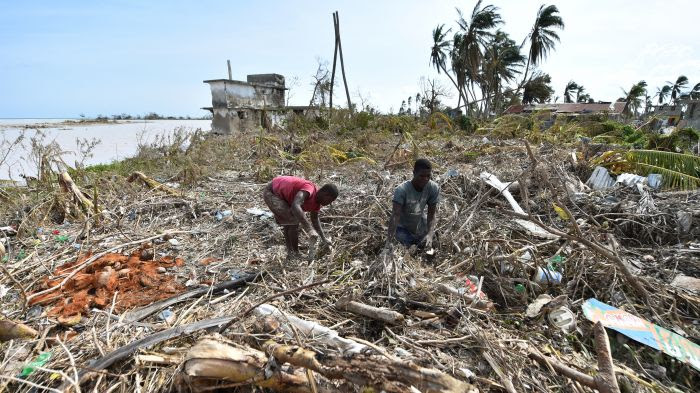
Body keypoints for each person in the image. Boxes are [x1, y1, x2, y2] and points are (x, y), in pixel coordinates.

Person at [263, 175, 338, 259]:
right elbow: (295, 205)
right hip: (272, 192)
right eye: (329, 200)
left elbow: (314, 219)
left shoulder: (316, 204)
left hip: (283, 196)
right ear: (325, 194)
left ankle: (291, 253)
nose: (329, 203)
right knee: (294, 220)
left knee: (289, 222)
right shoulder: (309, 189)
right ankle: (295, 253)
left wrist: (323, 238)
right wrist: (309, 229)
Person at [386, 159, 439, 250]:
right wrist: (388, 242)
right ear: (414, 173)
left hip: (420, 225)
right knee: (404, 243)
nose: (425, 179)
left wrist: (430, 235)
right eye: (421, 176)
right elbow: (395, 215)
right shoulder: (402, 190)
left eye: (428, 176)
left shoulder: (433, 188)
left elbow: (431, 214)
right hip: (403, 227)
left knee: (433, 241)